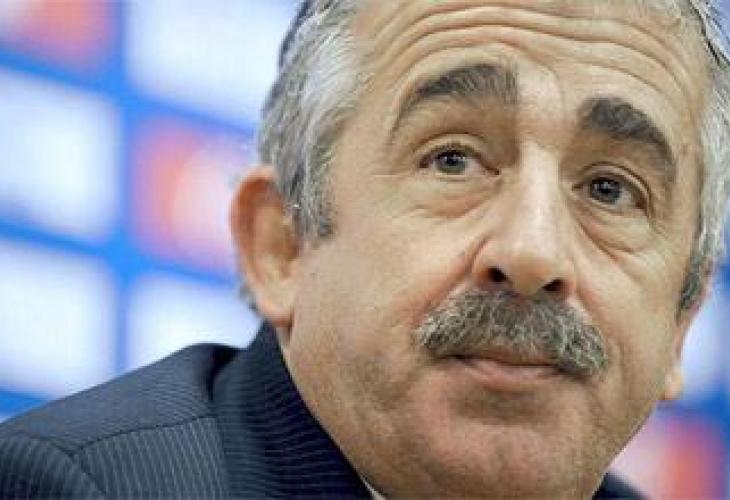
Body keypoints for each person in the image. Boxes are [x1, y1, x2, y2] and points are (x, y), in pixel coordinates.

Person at [2, 0, 729, 498]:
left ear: (681, 322)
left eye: (609, 189)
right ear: (283, 246)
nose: (534, 251)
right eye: (453, 159)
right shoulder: (78, 486)